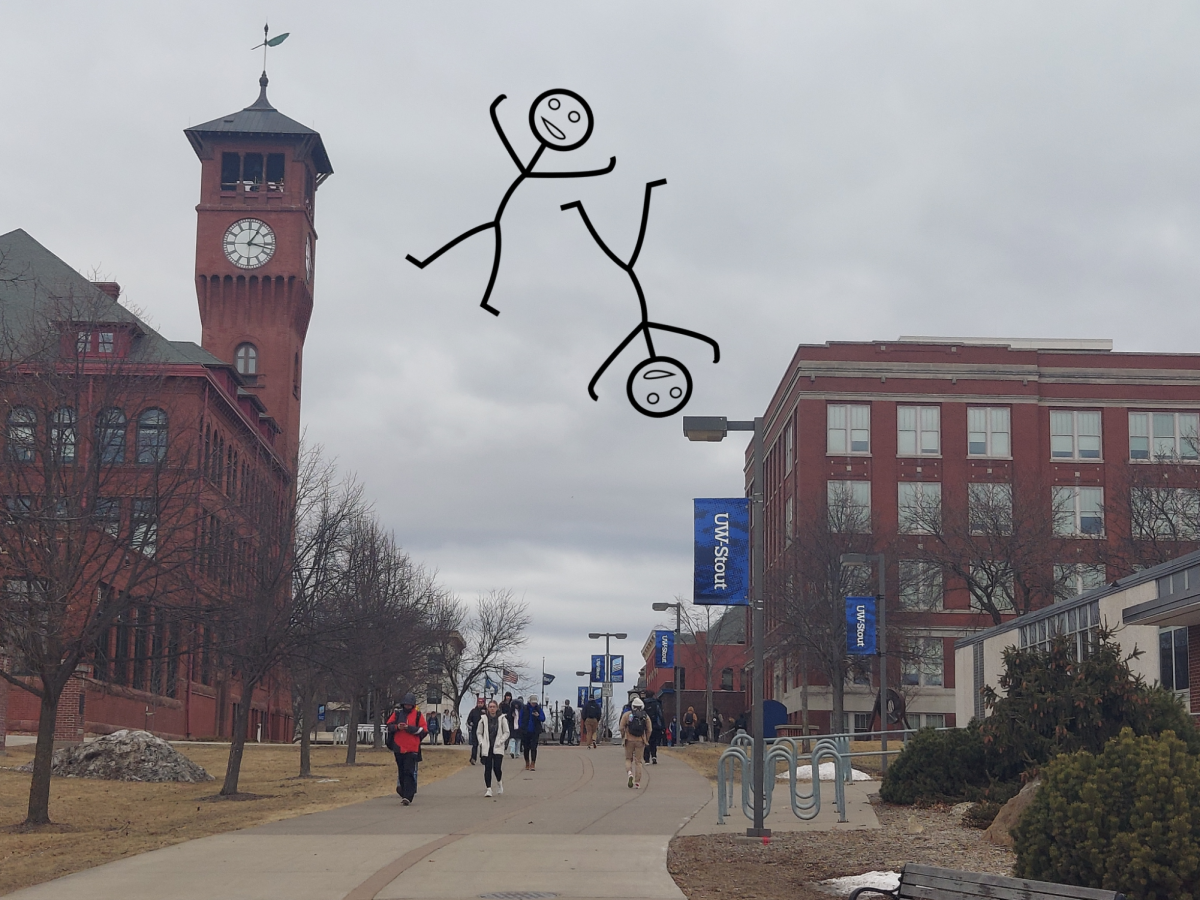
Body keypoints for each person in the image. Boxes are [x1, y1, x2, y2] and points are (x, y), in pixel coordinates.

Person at [406, 90, 616, 316]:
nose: (559, 119)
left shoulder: (537, 169)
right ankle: (426, 262)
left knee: (495, 250)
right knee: (474, 237)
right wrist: (496, 110)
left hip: (505, 215)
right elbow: (503, 134)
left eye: (573, 118)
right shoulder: (521, 159)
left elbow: (571, 174)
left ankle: (481, 295)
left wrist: (603, 169)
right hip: (496, 211)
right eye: (553, 105)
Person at [386, 693, 427, 805]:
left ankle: (408, 796)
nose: (407, 706)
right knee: (402, 771)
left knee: (409, 771)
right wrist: (397, 727)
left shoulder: (418, 715)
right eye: (406, 704)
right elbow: (389, 725)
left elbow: (424, 730)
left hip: (412, 748)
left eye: (410, 705)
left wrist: (409, 728)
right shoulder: (397, 714)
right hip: (398, 747)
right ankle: (405, 792)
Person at [475, 698, 510, 798]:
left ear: (497, 708)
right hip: (487, 747)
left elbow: (507, 732)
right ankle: (489, 789)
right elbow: (479, 733)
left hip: (498, 746)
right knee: (488, 768)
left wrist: (501, 741)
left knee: (497, 767)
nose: (492, 709)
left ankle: (499, 783)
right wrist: (481, 742)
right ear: (487, 708)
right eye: (490, 707)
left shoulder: (502, 719)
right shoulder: (483, 719)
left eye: (494, 707)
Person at [620, 696, 650, 789]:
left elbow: (621, 727)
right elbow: (649, 729)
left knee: (628, 759)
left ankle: (629, 774)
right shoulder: (645, 716)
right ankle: (637, 782)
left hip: (629, 740)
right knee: (638, 761)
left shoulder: (627, 715)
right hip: (640, 740)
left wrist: (623, 736)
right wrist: (646, 739)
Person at [519, 695, 545, 770]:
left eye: (535, 703)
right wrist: (520, 727)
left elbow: (543, 718)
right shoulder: (524, 708)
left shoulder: (538, 709)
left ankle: (533, 763)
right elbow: (520, 718)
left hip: (535, 731)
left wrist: (538, 716)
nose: (533, 704)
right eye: (532, 702)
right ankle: (527, 762)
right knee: (526, 748)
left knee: (534, 747)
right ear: (529, 701)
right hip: (525, 731)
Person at [642, 690, 664, 766]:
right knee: (653, 742)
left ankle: (647, 759)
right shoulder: (656, 703)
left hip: (645, 726)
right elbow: (660, 715)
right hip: (655, 726)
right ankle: (654, 756)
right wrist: (662, 726)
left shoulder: (643, 704)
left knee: (646, 742)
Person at [466, 696, 486, 765]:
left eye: (481, 703)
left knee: (483, 745)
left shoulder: (486, 711)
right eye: (479, 703)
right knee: (475, 745)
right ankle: (473, 758)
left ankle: (483, 758)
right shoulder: (473, 711)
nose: (480, 704)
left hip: (484, 731)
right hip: (475, 730)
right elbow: (469, 720)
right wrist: (470, 723)